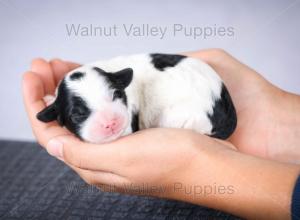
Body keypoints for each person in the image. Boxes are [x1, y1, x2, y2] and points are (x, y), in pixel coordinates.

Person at [22, 49, 300, 219]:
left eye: (115, 97)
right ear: (56, 113)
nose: (109, 122)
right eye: (82, 114)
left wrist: (198, 166)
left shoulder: (122, 84)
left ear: (121, 84)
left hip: (196, 105)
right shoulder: (95, 81)